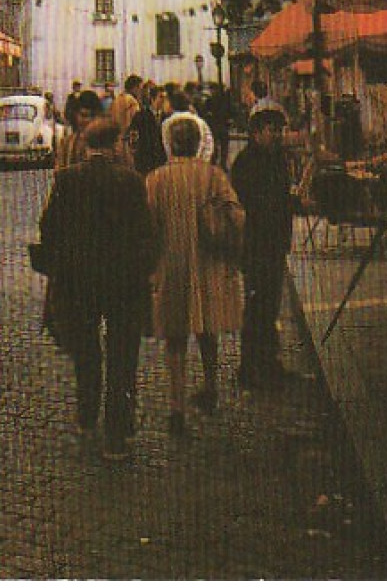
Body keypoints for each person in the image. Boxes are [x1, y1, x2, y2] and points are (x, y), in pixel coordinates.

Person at [37, 118, 155, 459]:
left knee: (86, 353)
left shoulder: (67, 179)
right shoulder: (131, 182)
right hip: (122, 283)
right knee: (121, 359)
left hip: (78, 283)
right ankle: (116, 435)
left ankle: (87, 416)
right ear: (115, 144)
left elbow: (49, 228)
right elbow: (145, 233)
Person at [147, 118, 245, 438]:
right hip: (209, 263)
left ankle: (177, 408)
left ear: (170, 143)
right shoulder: (213, 176)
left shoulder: (156, 179)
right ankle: (210, 388)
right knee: (207, 328)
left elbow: (146, 227)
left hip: (171, 264)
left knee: (175, 338)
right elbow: (236, 216)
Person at [230, 108, 295, 390]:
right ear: (256, 133)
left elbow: (281, 197)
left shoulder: (277, 158)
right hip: (256, 243)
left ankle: (269, 362)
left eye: (280, 129)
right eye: (272, 129)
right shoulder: (246, 162)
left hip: (275, 241)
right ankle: (249, 367)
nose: (278, 135)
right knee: (257, 306)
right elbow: (249, 204)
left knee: (269, 306)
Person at [58, 90, 104, 170]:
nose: (88, 120)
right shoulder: (66, 144)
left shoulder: (109, 144)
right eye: (84, 115)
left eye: (92, 116)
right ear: (76, 115)